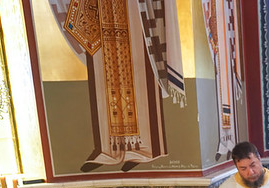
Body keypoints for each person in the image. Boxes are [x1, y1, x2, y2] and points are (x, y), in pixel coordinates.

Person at [49, 0, 186, 172]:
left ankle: (146, 148)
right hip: (100, 10)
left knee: (140, 72)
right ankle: (110, 150)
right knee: (103, 73)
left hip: (134, 9)